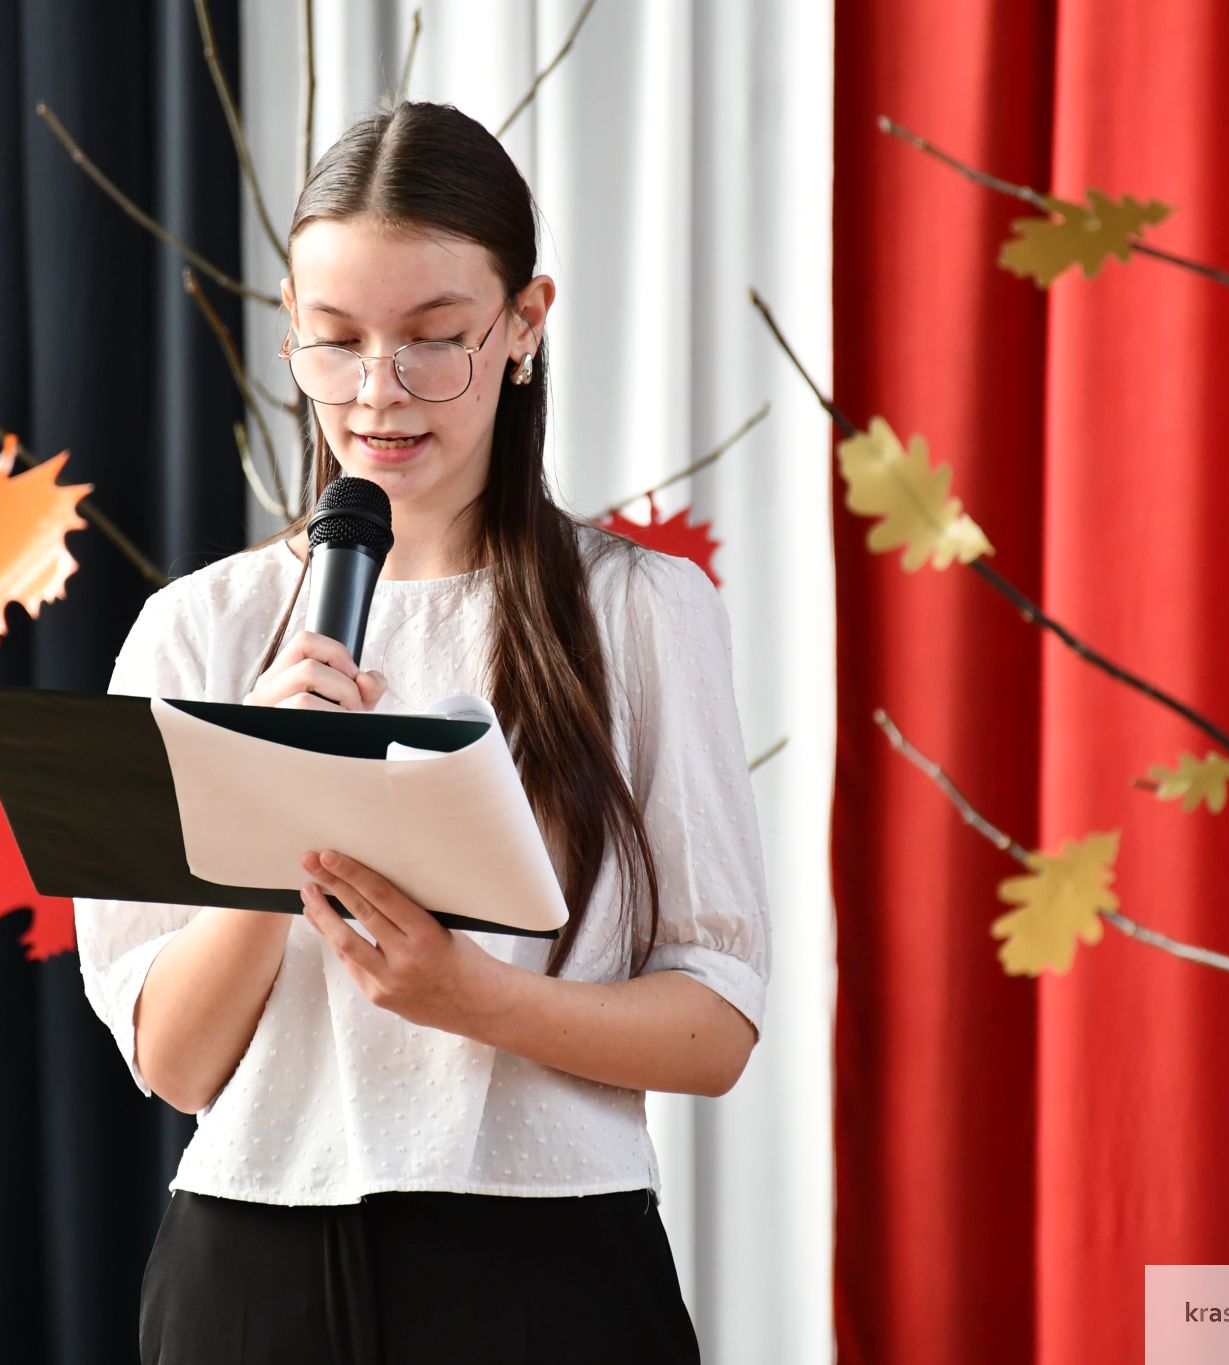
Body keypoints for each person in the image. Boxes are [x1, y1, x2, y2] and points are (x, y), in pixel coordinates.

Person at [74, 99, 770, 1365]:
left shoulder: (642, 612)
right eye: (336, 342)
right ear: (290, 333)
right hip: (249, 1267)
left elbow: (714, 1026)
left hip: (549, 1261)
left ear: (524, 325)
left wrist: (472, 998)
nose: (377, 395)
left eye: (434, 341)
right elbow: (174, 1063)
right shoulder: (193, 630)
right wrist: (269, 803)